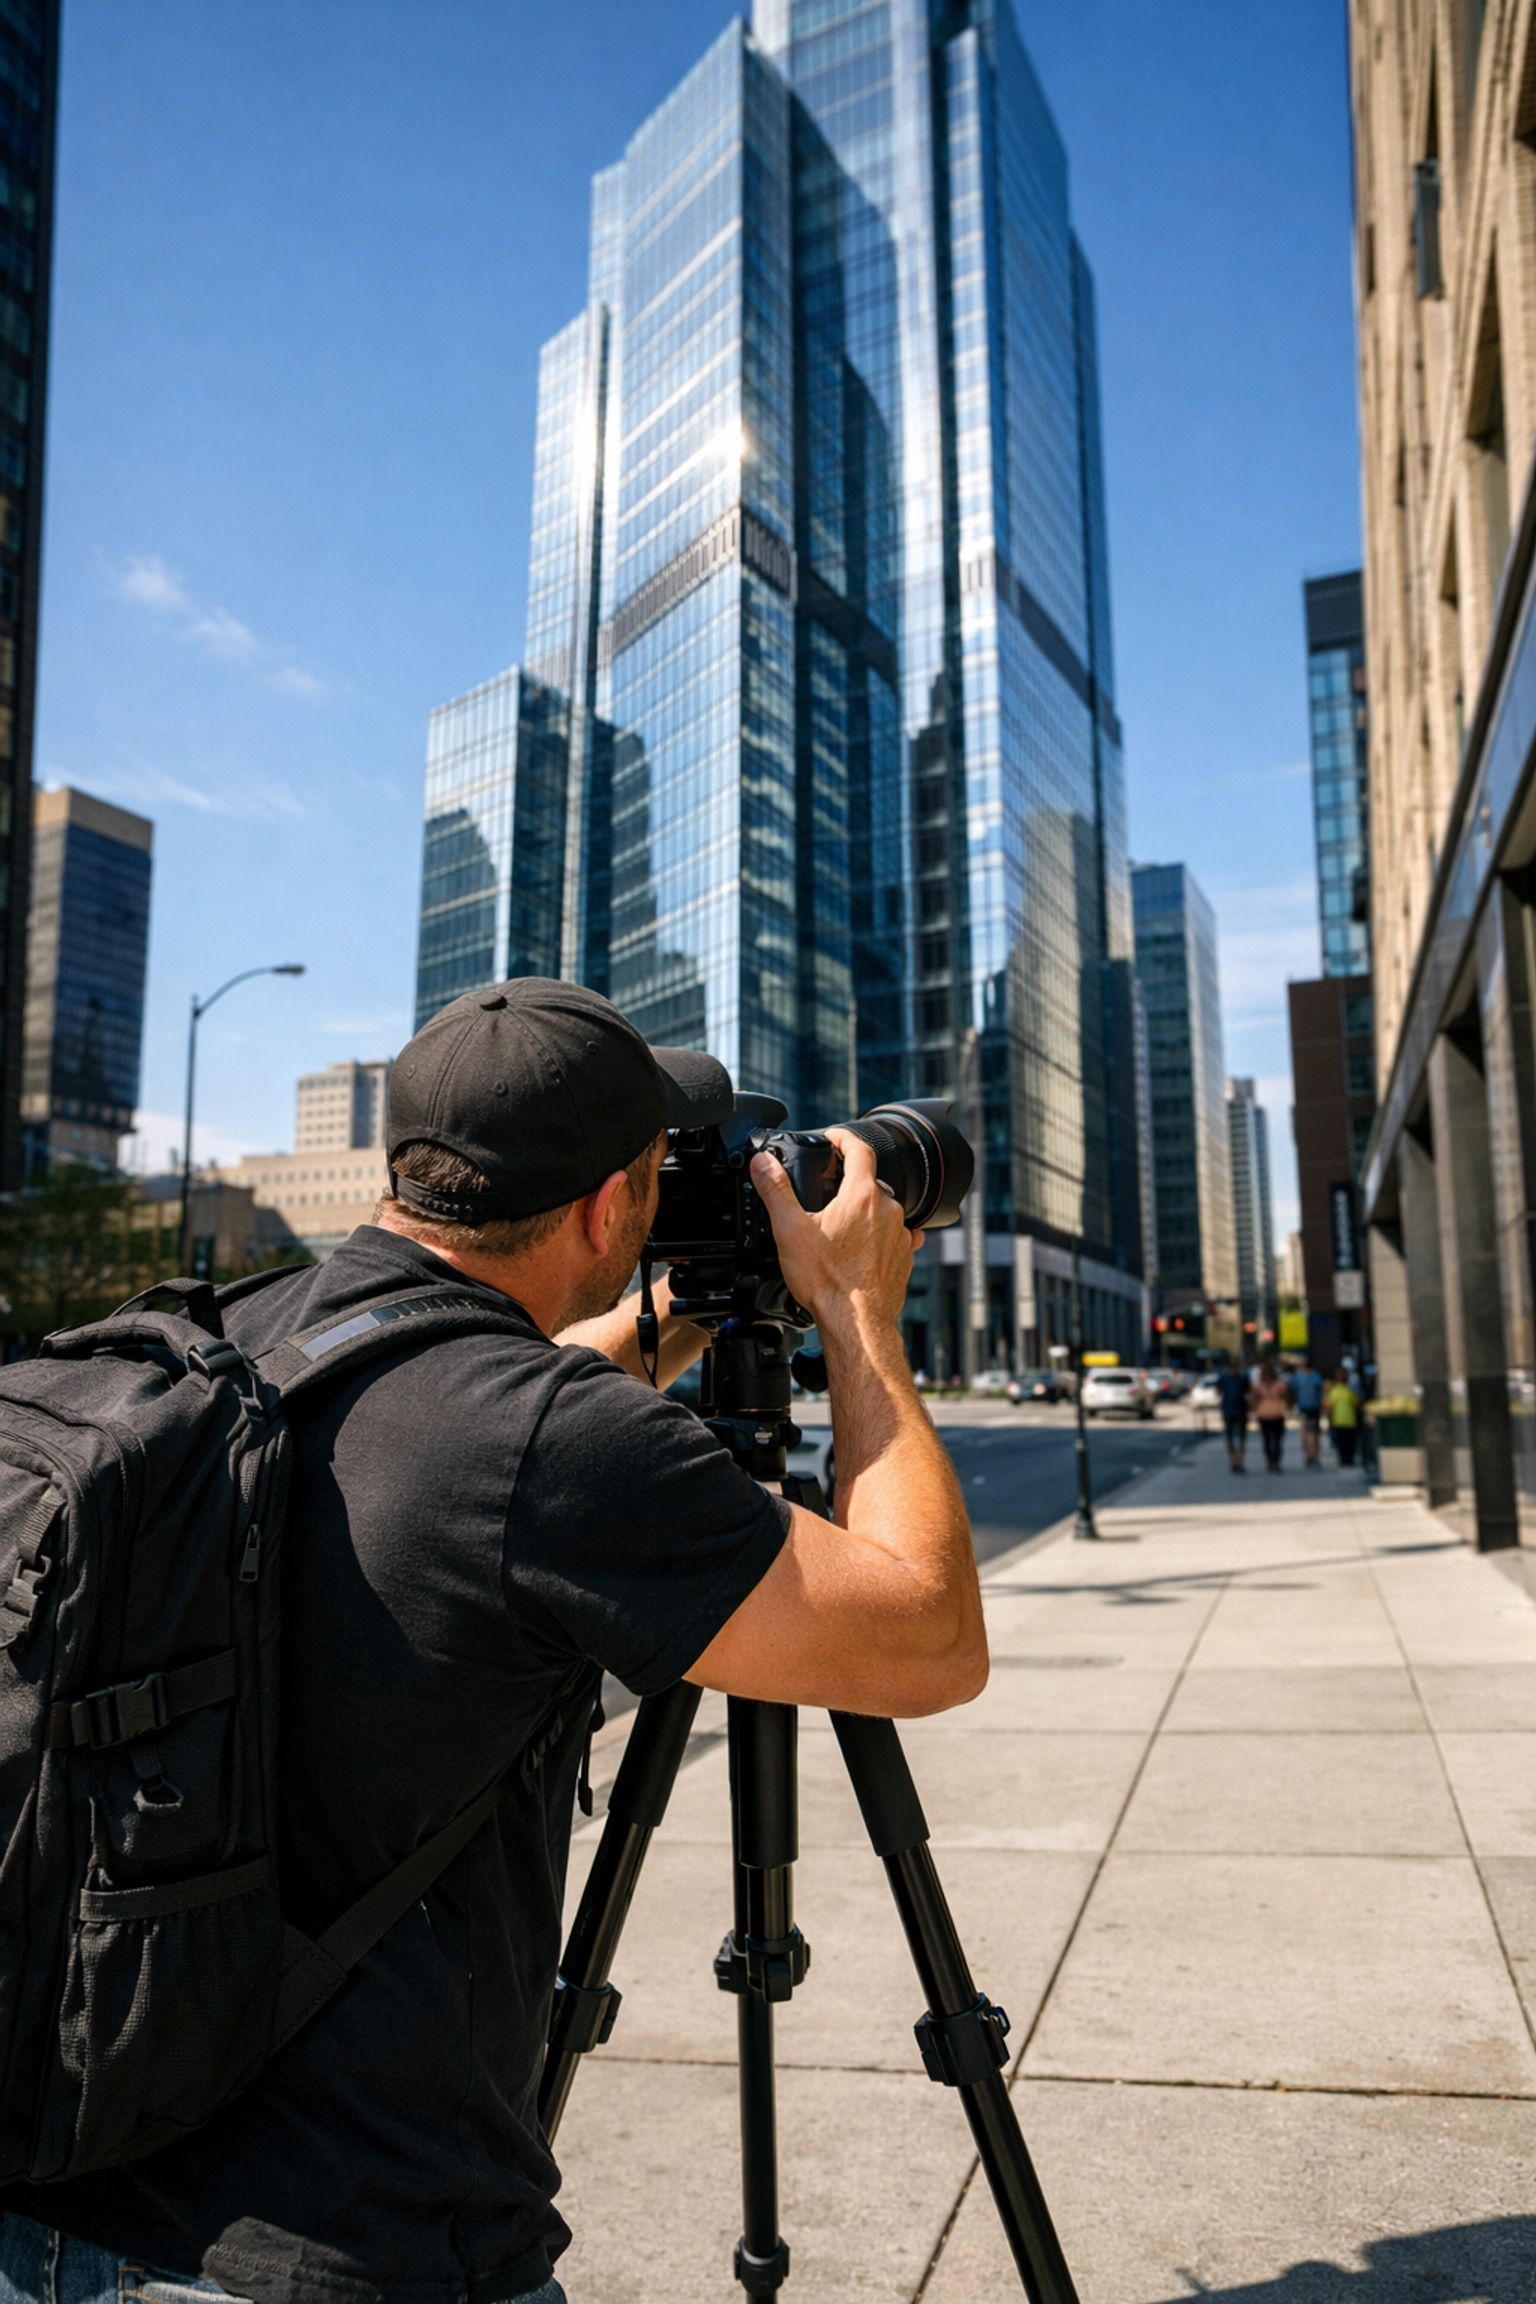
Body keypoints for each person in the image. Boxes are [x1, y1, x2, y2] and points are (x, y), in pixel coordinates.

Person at [0, 980, 986, 2304]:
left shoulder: (242, 1331)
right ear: (602, 1210)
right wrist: (862, 1313)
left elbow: (487, 1424)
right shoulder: (556, 1444)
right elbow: (927, 1636)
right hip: (351, 2251)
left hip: (61, 2193)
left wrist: (681, 1311)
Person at [1250, 1358, 1290, 1473]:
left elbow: (1286, 1397)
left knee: (1277, 1440)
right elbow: (1254, 1399)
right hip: (1264, 1415)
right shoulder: (1257, 1385)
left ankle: (1276, 1462)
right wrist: (1253, 1410)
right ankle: (1269, 1461)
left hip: (1277, 1414)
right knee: (1266, 1440)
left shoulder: (1279, 1384)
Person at [1215, 1354, 1250, 1471]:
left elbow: (1248, 1392)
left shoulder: (1242, 1378)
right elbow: (1218, 1391)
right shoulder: (1224, 1378)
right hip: (1228, 1410)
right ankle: (1233, 1460)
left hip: (1240, 1410)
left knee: (1241, 1437)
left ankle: (1239, 1460)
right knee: (1229, 1436)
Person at [1291, 1357, 1324, 1467]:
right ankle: (1315, 1455)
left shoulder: (1298, 1377)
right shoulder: (1316, 1376)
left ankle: (1308, 1456)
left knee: (1305, 1432)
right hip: (1314, 1406)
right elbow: (1320, 1390)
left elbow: (1291, 1389)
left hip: (1304, 1407)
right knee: (1315, 1433)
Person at [1326, 1368, 1361, 1466]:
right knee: (1342, 1443)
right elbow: (1329, 1407)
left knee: (1350, 1442)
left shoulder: (1350, 1389)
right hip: (1340, 1421)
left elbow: (1356, 1404)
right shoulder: (1335, 1390)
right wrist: (1330, 1419)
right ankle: (1344, 1459)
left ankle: (1348, 1459)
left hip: (1350, 1420)